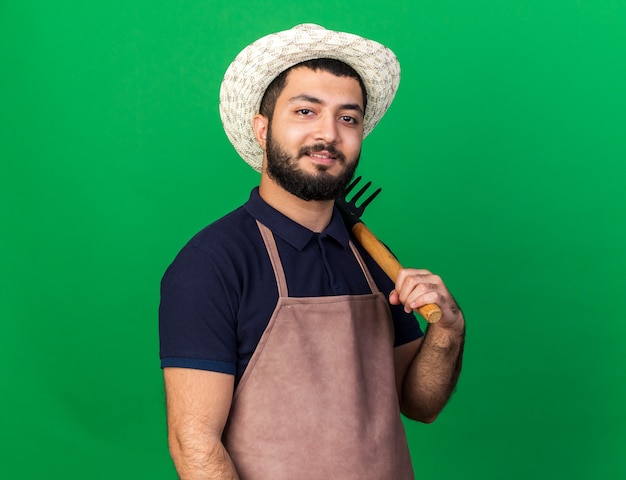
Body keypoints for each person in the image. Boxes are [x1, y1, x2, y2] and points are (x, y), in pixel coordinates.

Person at [159, 23, 465, 480]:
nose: (329, 135)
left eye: (348, 118)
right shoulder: (212, 263)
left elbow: (419, 405)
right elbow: (194, 443)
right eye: (306, 111)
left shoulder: (375, 259)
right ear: (262, 129)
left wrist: (449, 331)